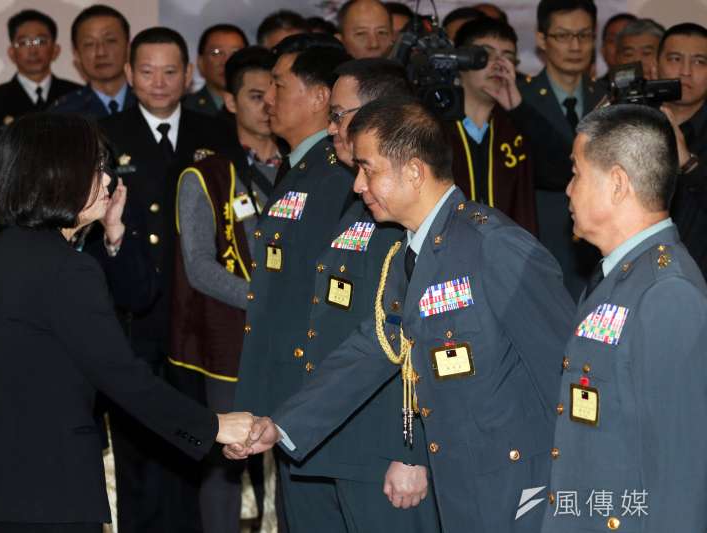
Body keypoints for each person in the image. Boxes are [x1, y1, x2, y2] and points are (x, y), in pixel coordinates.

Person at [228, 96, 576, 533]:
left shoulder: (495, 246)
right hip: (459, 483)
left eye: (368, 169)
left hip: (517, 486)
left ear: (413, 171)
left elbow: (563, 369)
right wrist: (281, 426)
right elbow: (374, 349)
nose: (358, 185)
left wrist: (569, 489)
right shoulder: (407, 254)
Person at [0, 112, 253, 533]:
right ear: (56, 174)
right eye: (94, 167)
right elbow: (123, 377)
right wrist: (215, 426)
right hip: (49, 494)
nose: (108, 179)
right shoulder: (66, 269)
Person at [271, 57, 439, 532]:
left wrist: (411, 450)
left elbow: (421, 341)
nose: (331, 127)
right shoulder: (356, 199)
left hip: (383, 444)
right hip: (335, 428)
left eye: (339, 115)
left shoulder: (408, 209)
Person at [541, 104, 707, 532]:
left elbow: (680, 475)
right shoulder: (616, 275)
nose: (568, 190)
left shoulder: (667, 293)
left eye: (576, 173)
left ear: (617, 184)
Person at [99, 26, 231, 533]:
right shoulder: (105, 134)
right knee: (138, 447)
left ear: (189, 74)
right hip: (134, 314)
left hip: (198, 315)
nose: (159, 82)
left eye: (170, 71)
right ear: (129, 74)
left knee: (195, 443)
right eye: (147, 71)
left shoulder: (213, 133)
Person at [232, 34, 353, 532]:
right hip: (290, 393)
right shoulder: (301, 167)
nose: (268, 97)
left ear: (320, 96)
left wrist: (304, 403)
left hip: (314, 394)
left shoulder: (336, 175)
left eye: (279, 85)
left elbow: (329, 298)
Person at [172, 45, 279, 533]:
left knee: (296, 455)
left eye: (275, 92)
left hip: (295, 338)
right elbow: (198, 267)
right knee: (227, 459)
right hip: (229, 339)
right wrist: (263, 300)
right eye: (255, 95)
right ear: (231, 101)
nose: (268, 104)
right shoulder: (207, 174)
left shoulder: (307, 169)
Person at [511, 0, 605, 297]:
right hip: (538, 240)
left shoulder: (608, 98)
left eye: (584, 35)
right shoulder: (516, 99)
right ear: (541, 39)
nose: (575, 46)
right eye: (563, 36)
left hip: (599, 248)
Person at [0, 9, 80, 238]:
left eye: (41, 41)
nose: (33, 49)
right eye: (24, 42)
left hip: (70, 216)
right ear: (12, 52)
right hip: (11, 218)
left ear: (56, 49)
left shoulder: (76, 96)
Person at [447, 17, 537, 234]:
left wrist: (518, 108)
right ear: (461, 60)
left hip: (510, 250)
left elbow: (560, 172)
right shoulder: (435, 125)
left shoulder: (517, 124)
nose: (498, 64)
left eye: (508, 57)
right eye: (485, 55)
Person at [658, 23, 707, 279]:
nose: (686, 71)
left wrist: (687, 163)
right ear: (656, 65)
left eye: (699, 62)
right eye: (675, 59)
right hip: (641, 273)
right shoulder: (638, 121)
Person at [50, 5, 137, 118]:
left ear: (128, 47)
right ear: (77, 54)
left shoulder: (150, 103)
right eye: (89, 44)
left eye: (110, 41)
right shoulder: (62, 114)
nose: (101, 52)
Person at [183, 24, 248, 117]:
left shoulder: (264, 105)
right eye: (217, 52)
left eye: (236, 52)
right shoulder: (185, 108)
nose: (227, 62)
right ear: (200, 63)